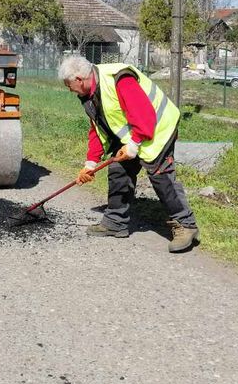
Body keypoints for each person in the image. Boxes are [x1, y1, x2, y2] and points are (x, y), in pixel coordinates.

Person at [58, 54, 199, 253]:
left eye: (69, 85)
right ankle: (115, 222)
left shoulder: (119, 79)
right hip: (136, 132)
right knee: (118, 169)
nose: (69, 90)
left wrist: (134, 144)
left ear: (79, 80)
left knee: (161, 176)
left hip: (157, 128)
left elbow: (144, 113)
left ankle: (186, 225)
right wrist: (90, 162)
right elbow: (98, 129)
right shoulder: (89, 95)